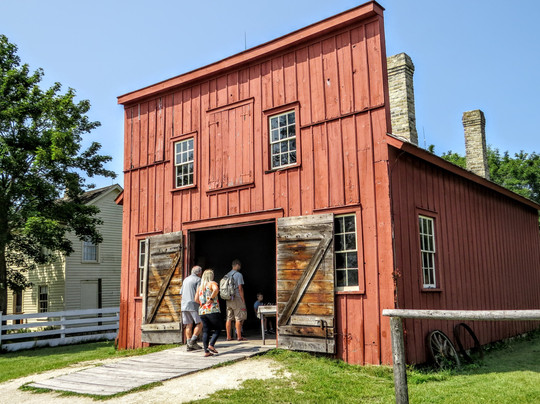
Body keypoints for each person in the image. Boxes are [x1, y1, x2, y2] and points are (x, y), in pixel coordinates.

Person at [194, 269, 222, 357]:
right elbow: (216, 289)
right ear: (211, 276)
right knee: (218, 328)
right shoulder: (212, 283)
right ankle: (211, 344)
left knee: (206, 330)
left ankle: (206, 351)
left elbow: (196, 299)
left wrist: (203, 304)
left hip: (202, 311)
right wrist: (211, 298)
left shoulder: (200, 287)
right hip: (212, 310)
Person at [180, 265, 203, 351]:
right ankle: (192, 341)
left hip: (184, 304)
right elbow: (198, 293)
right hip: (193, 304)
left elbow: (181, 293)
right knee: (200, 323)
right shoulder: (198, 280)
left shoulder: (185, 279)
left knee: (188, 324)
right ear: (199, 273)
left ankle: (189, 344)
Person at [225, 258, 247, 341]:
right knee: (238, 317)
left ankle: (228, 336)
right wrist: (242, 299)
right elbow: (240, 288)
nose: (240, 267)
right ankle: (239, 336)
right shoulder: (238, 275)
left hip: (228, 298)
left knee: (229, 318)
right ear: (237, 265)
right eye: (239, 266)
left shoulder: (227, 275)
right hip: (237, 297)